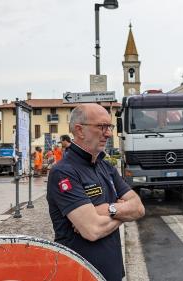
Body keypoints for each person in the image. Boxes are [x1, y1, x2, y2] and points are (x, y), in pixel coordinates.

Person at [47, 103, 145, 280]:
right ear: (80, 130)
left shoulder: (105, 166)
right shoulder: (63, 172)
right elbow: (92, 230)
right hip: (79, 275)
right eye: (101, 127)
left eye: (109, 127)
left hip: (113, 273)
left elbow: (139, 208)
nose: (108, 133)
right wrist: (123, 211)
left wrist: (109, 210)